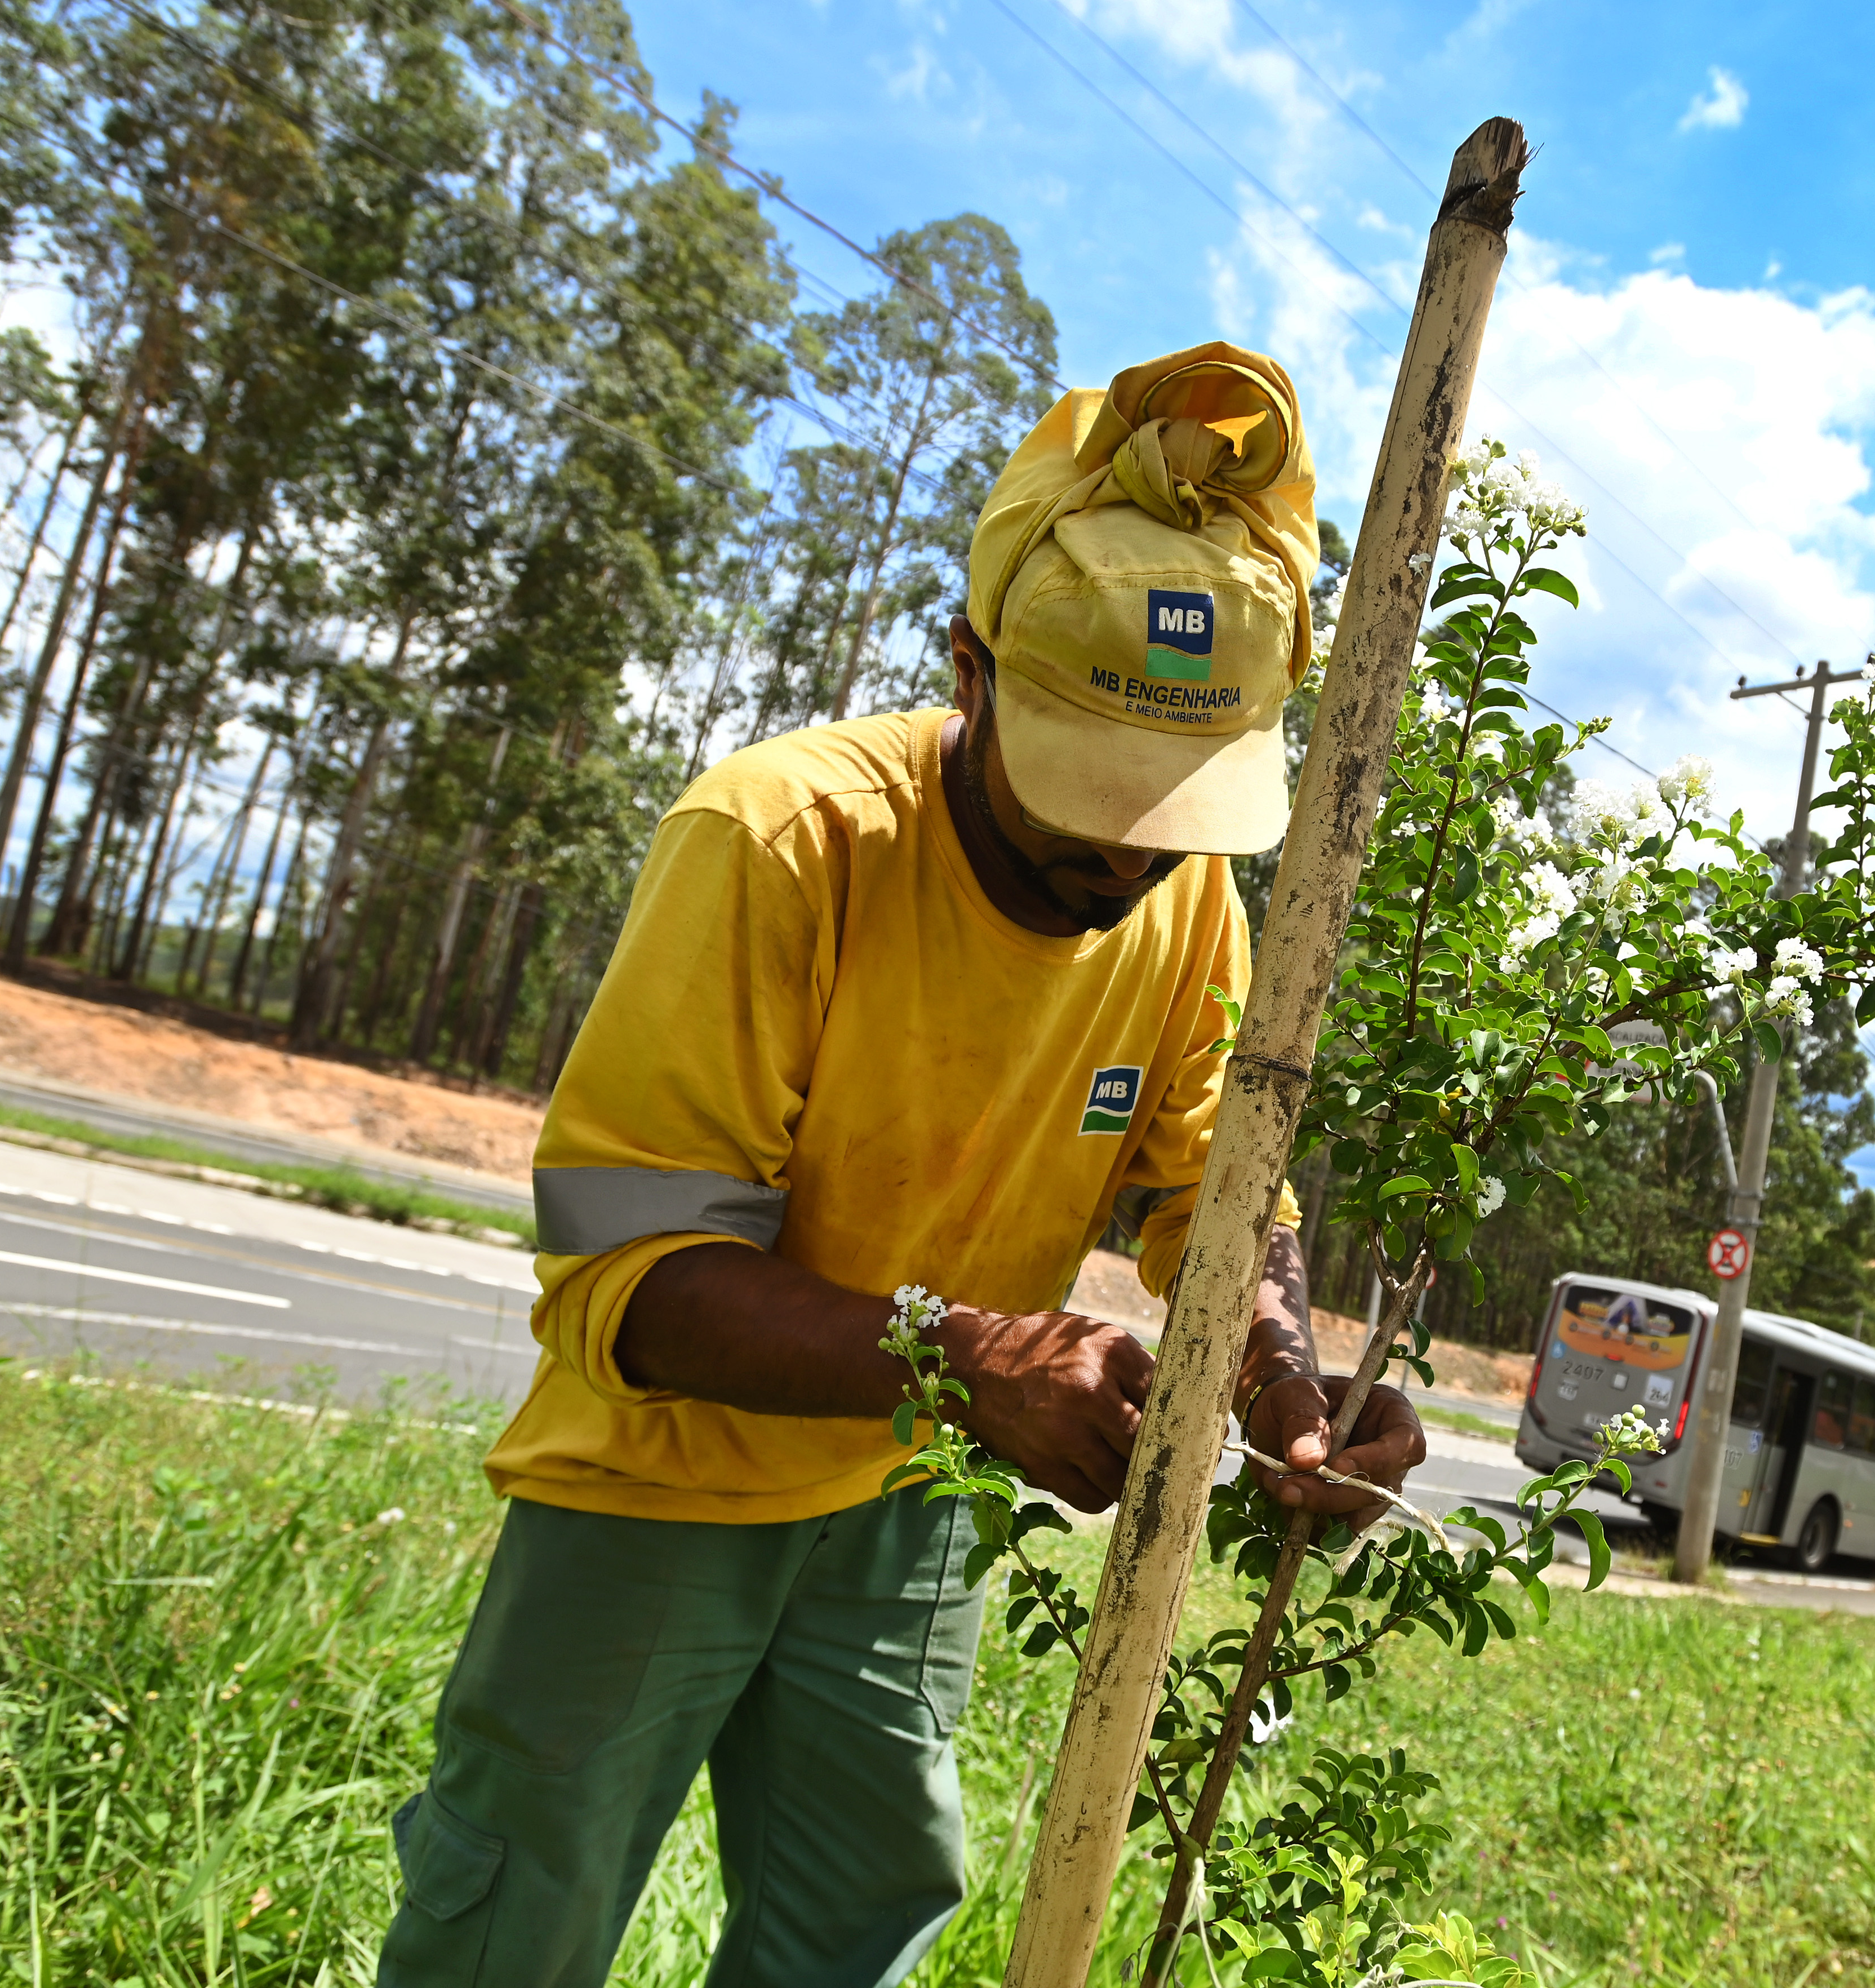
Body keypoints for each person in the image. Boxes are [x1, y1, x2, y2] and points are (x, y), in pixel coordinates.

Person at [378, 342, 1425, 1987]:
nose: (1123, 850)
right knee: (518, 1920)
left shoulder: (1181, 902)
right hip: (661, 1475)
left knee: (857, 1912)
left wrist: (1283, 1372)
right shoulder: (784, 840)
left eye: (1171, 808)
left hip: (911, 1488)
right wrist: (968, 1360)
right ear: (972, 666)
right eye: (1088, 785)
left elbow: (1204, 1192)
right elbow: (624, 1277)